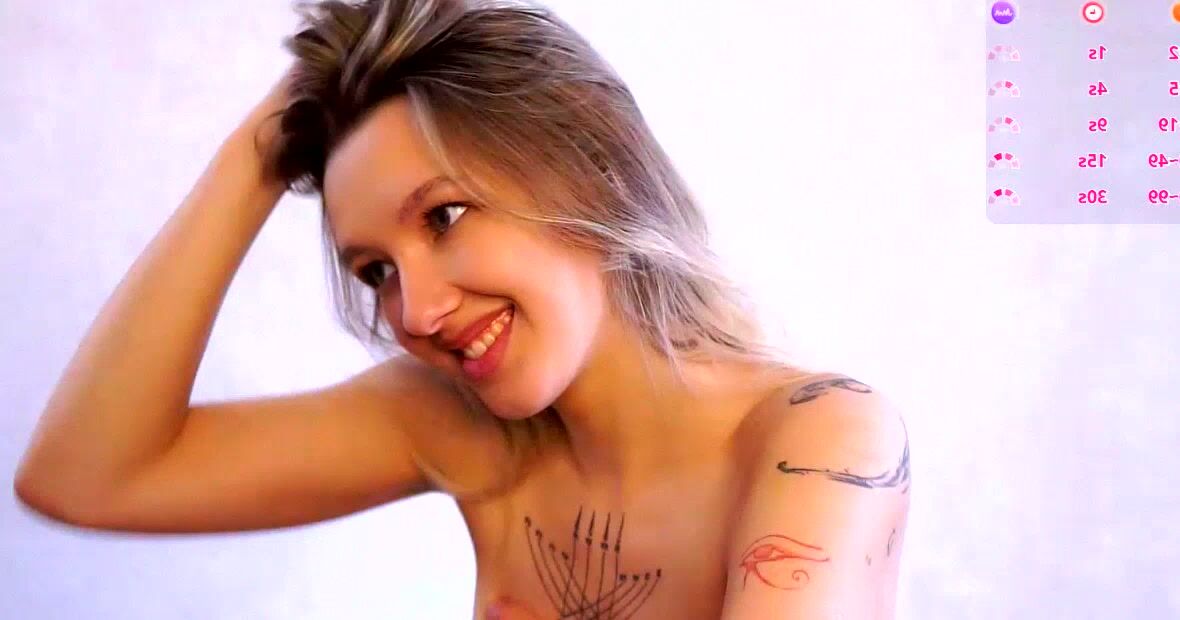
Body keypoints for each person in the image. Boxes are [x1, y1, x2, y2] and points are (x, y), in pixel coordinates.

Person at [13, 0, 911, 618]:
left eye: (443, 216)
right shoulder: (461, 429)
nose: (416, 311)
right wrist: (259, 152)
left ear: (587, 164)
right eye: (375, 271)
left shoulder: (819, 438)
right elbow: (84, 478)